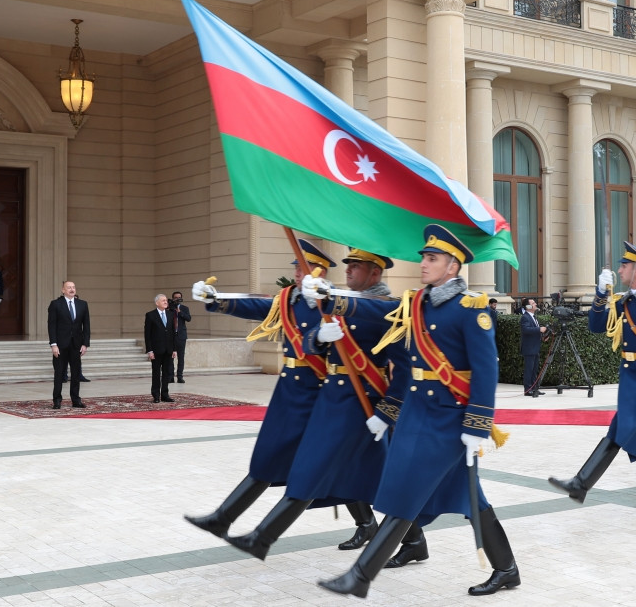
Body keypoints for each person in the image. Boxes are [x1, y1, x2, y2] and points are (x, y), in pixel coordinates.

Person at [318, 225, 519, 598]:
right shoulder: (415, 303)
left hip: (448, 420)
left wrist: (477, 425)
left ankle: (360, 575)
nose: (423, 263)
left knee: (405, 493)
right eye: (424, 257)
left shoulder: (470, 309)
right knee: (472, 498)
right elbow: (377, 310)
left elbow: (486, 369)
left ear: (452, 266)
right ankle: (507, 568)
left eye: (432, 258)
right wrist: (331, 300)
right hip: (417, 414)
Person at [224, 248, 407, 560]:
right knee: (370, 476)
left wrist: (386, 412)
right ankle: (412, 540)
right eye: (348, 265)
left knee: (315, 468)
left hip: (364, 404)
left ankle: (262, 538)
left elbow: (404, 369)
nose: (348, 270)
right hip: (332, 400)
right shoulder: (340, 302)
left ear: (375, 273)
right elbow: (314, 344)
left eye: (356, 266)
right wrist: (319, 338)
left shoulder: (390, 310)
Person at [184, 239, 334, 540]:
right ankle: (223, 518)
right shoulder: (288, 300)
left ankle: (401, 534)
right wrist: (217, 299)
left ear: (320, 272)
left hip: (317, 393)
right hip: (288, 392)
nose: (297, 273)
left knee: (334, 463)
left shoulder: (332, 304)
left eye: (303, 268)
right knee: (269, 454)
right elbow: (257, 306)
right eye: (296, 267)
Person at [548, 241, 636, 522]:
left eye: (624, 265)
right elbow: (595, 326)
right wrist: (601, 294)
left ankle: (581, 483)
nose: (620, 270)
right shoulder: (624, 301)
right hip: (631, 379)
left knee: (622, 430)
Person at [47, 281, 90, 409]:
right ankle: (57, 400)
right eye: (69, 287)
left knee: (76, 373)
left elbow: (86, 326)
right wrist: (53, 344)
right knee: (59, 373)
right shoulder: (56, 304)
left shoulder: (82, 304)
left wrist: (85, 344)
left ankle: (76, 400)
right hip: (60, 345)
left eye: (73, 287)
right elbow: (51, 326)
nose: (72, 289)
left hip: (76, 345)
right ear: (63, 290)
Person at [144, 294, 177, 403]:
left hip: (168, 350)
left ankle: (165, 394)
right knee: (156, 373)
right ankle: (156, 395)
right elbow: (147, 335)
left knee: (167, 373)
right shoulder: (150, 315)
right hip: (156, 350)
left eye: (166, 300)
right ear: (157, 303)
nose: (166, 302)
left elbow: (173, 333)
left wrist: (174, 349)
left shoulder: (170, 314)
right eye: (163, 300)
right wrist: (150, 350)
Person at [520, 297, 546, 395]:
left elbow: (534, 332)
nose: (535, 304)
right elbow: (526, 330)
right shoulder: (525, 317)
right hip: (529, 348)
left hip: (535, 347)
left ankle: (534, 388)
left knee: (534, 370)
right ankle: (527, 389)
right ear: (528, 306)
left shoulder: (534, 316)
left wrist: (542, 336)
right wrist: (539, 329)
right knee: (529, 370)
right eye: (533, 303)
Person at [171, 291, 191, 383]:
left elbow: (189, 318)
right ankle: (170, 376)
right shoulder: (169, 308)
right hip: (171, 335)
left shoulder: (185, 308)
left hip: (181, 335)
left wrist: (180, 312)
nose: (177, 299)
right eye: (176, 297)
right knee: (170, 357)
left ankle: (180, 376)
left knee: (181, 357)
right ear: (173, 298)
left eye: (179, 297)